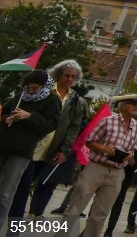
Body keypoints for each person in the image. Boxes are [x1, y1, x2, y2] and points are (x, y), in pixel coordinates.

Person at [9, 59, 89, 219]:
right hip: (33, 144)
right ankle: (14, 219)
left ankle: (29, 214)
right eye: (67, 75)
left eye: (73, 77)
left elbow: (74, 127)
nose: (70, 80)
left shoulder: (76, 100)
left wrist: (64, 150)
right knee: (23, 185)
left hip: (52, 148)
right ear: (59, 74)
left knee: (41, 183)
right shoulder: (44, 91)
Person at [61, 97, 137, 237]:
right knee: (75, 208)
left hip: (117, 173)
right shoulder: (107, 121)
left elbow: (134, 148)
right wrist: (105, 149)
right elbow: (90, 141)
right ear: (122, 106)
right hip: (96, 167)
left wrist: (130, 154)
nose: (136, 107)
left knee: (100, 215)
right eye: (133, 104)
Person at [0, 69, 62, 226]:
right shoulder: (19, 97)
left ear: (43, 86)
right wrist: (8, 118)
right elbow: (4, 113)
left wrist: (29, 116)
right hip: (4, 144)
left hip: (22, 150)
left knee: (6, 193)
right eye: (28, 87)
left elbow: (51, 125)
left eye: (35, 88)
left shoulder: (52, 100)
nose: (30, 91)